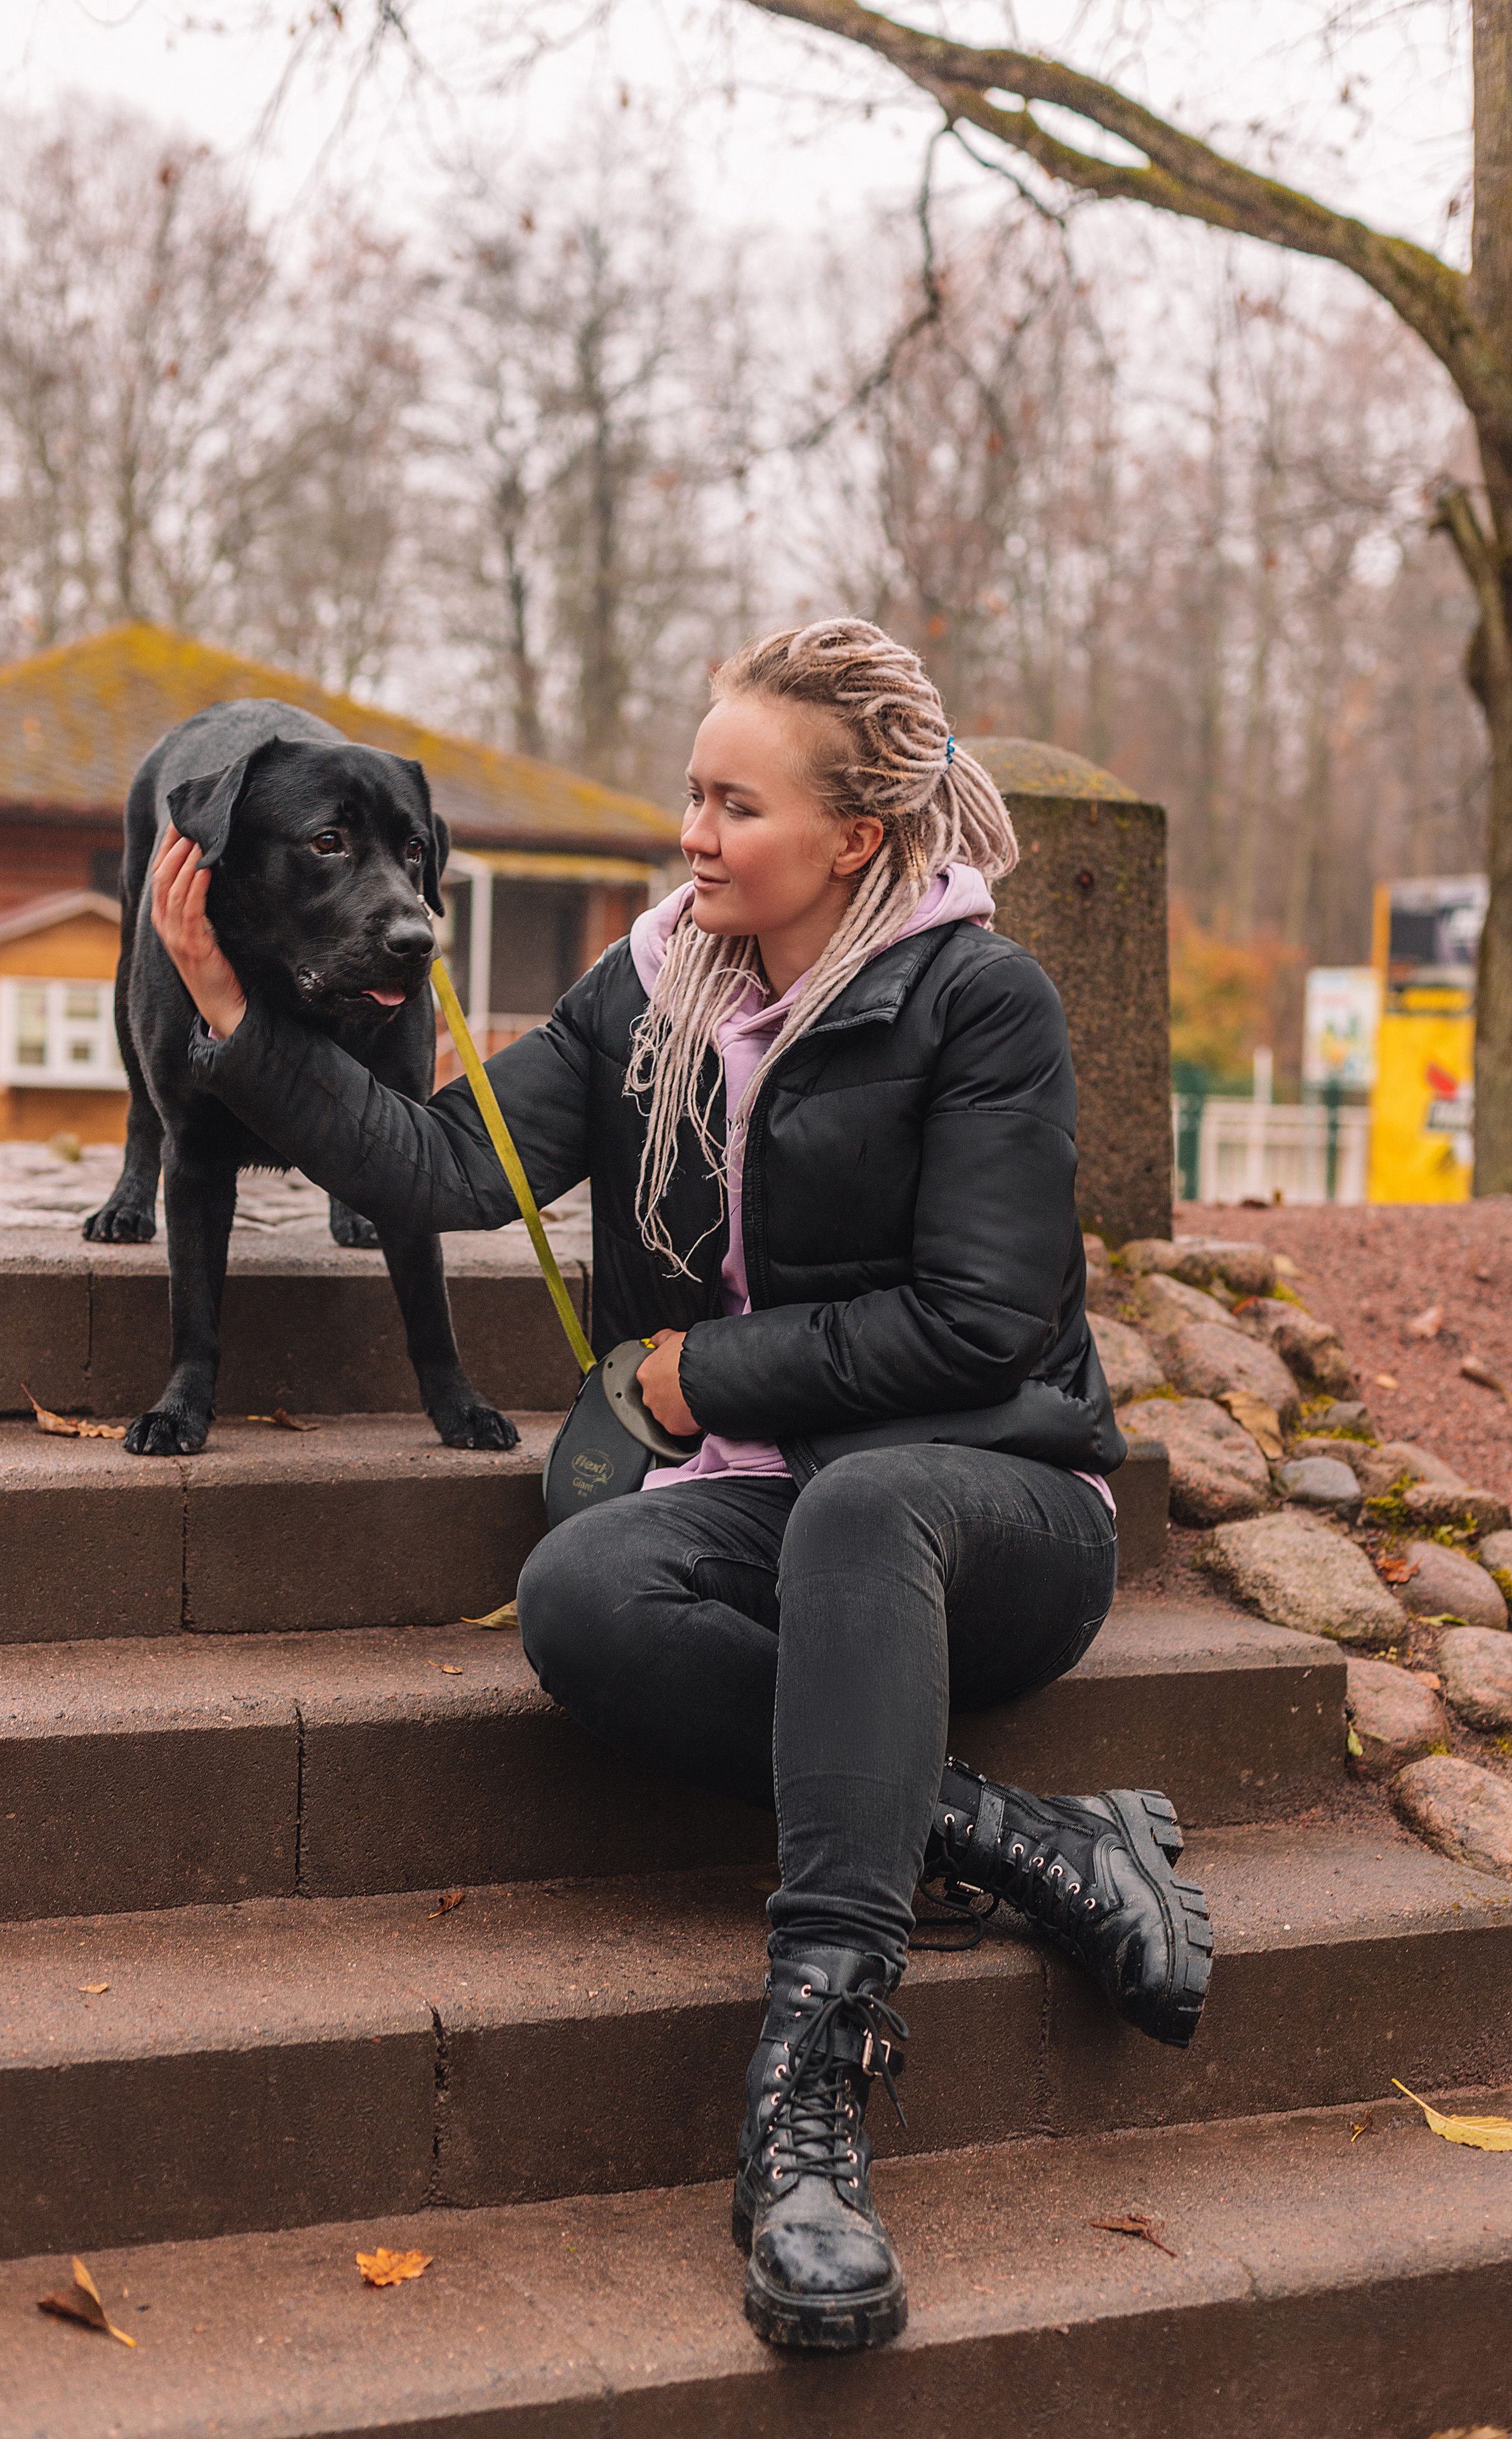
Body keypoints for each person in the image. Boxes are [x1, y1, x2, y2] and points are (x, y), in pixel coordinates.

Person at [151, 618, 1211, 2358]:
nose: (693, 836)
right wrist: (227, 1019)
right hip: (764, 1511)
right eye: (692, 794)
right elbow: (440, 1167)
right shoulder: (648, 990)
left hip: (995, 1510)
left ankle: (812, 2095)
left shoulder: (977, 1001)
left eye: (736, 803)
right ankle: (1023, 1840)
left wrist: (697, 1372)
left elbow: (983, 1321)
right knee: (581, 1589)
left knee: (869, 1510)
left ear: (853, 837)